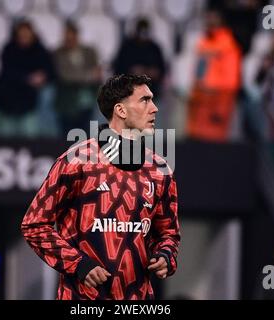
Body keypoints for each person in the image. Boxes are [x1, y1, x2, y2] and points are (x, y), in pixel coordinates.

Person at [21, 74, 180, 300]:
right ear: (121, 111)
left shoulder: (160, 169)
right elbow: (34, 225)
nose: (154, 108)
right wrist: (78, 264)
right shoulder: (77, 161)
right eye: (145, 100)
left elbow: (168, 233)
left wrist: (165, 255)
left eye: (153, 100)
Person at [0, 19, 56, 137]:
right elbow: (7, 73)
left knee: (30, 139)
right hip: (7, 102)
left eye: (27, 35)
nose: (24, 38)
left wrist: (43, 76)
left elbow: (51, 72)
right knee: (5, 141)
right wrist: (28, 78)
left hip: (29, 104)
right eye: (21, 35)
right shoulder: (9, 49)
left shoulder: (40, 50)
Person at [186, 8, 241, 142]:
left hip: (216, 106)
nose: (209, 21)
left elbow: (231, 81)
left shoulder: (228, 45)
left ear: (220, 21)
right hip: (199, 105)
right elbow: (198, 74)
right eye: (208, 17)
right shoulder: (203, 42)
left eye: (213, 17)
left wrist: (218, 102)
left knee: (214, 150)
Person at [54, 20, 102, 137]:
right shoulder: (58, 53)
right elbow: (66, 76)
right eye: (67, 37)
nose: (69, 40)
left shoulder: (89, 51)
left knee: (86, 139)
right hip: (67, 105)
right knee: (66, 140)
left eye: (72, 37)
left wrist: (82, 76)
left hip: (87, 102)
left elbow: (98, 74)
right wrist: (89, 75)